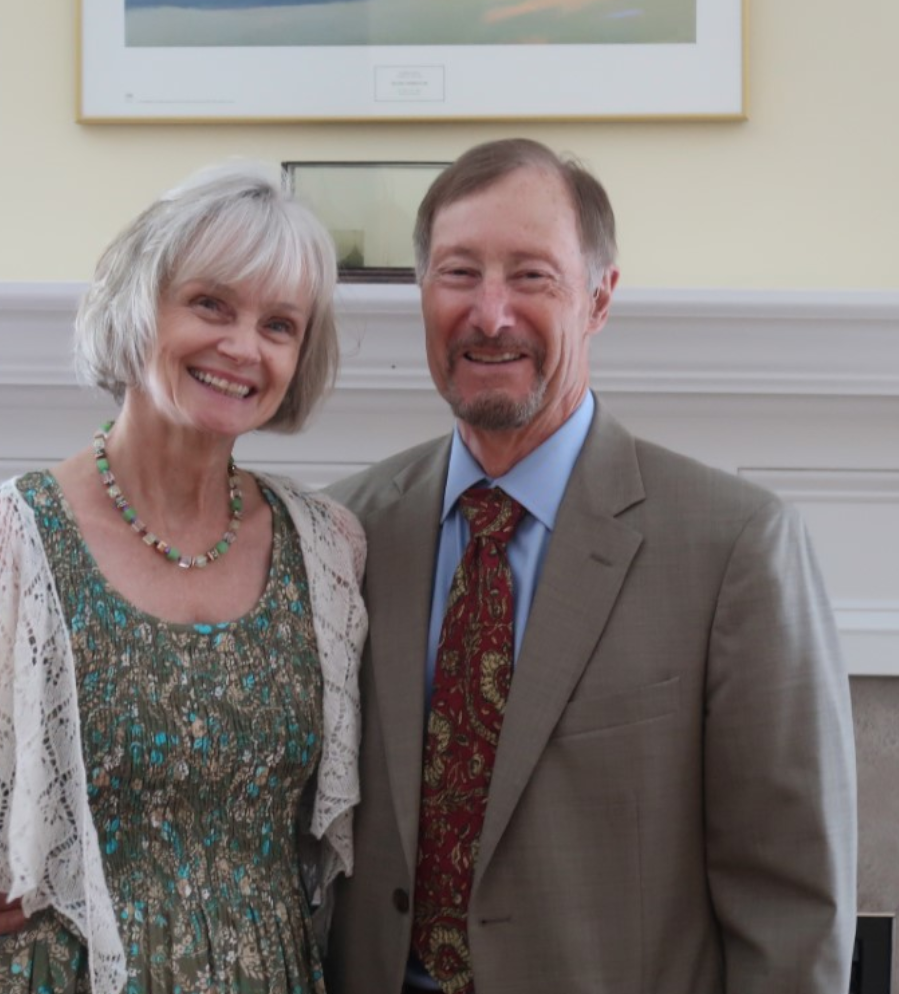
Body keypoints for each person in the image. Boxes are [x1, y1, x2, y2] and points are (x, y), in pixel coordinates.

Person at [323, 138, 857, 993]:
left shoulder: (736, 549)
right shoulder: (343, 534)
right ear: (423, 295)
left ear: (600, 299)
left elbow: (794, 909)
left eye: (532, 276)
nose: (490, 314)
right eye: (459, 274)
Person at [0, 165, 368, 994]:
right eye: (211, 304)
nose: (242, 346)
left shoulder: (331, 551)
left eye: (278, 324)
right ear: (139, 305)